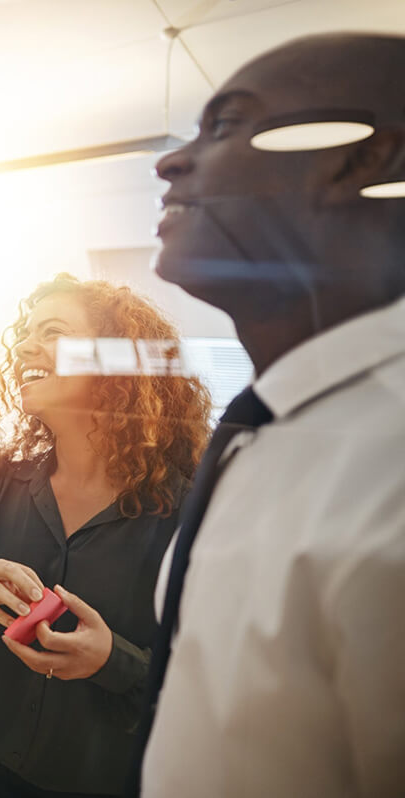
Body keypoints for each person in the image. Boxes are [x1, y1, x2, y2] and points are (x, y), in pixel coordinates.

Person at [139, 33, 405, 797]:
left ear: (359, 162)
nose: (171, 162)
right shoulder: (270, 424)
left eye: (225, 126)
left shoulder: (388, 461)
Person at [0, 274, 212, 797]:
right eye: (26, 333)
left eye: (53, 331)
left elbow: (211, 687)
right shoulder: (0, 484)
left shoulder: (190, 506)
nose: (25, 347)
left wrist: (113, 662)